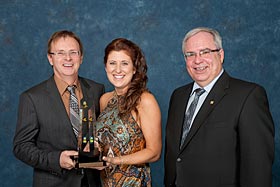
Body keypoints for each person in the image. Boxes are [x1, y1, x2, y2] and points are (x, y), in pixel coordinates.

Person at [164, 27, 274, 187]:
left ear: (220, 55)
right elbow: (176, 156)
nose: (197, 60)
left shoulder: (248, 96)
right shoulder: (178, 96)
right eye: (190, 54)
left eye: (205, 52)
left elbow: (258, 167)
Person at [13, 30, 104, 187]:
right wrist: (56, 159)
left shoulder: (96, 90)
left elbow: (102, 133)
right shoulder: (32, 98)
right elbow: (21, 147)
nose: (68, 58)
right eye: (60, 53)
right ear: (50, 58)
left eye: (73, 53)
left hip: (91, 182)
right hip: (54, 182)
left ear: (81, 57)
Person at [95, 38, 162, 187]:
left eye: (124, 63)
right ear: (106, 67)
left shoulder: (145, 100)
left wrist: (116, 161)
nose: (117, 70)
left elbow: (154, 152)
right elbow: (105, 143)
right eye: (112, 63)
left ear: (134, 68)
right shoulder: (104, 100)